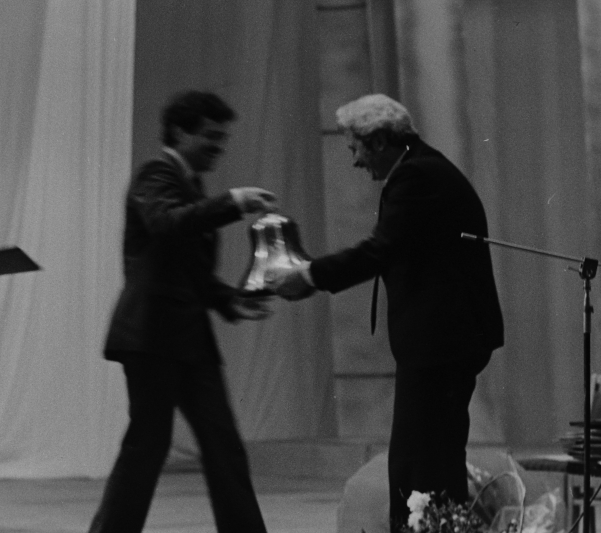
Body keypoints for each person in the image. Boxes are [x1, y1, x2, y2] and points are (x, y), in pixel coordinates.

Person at [267, 94, 504, 530]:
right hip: (446, 342)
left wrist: (310, 276)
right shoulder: (424, 168)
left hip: (440, 344)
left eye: (355, 148)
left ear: (378, 141)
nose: (355, 161)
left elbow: (380, 249)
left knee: (422, 464)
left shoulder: (416, 175)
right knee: (427, 460)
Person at [90, 90, 277, 533]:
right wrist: (233, 202)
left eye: (222, 138)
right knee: (148, 446)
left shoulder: (190, 184)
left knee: (223, 446)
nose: (218, 146)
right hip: (152, 337)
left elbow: (189, 269)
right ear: (179, 131)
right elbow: (166, 223)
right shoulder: (156, 173)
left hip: (188, 340)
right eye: (211, 136)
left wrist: (229, 299)